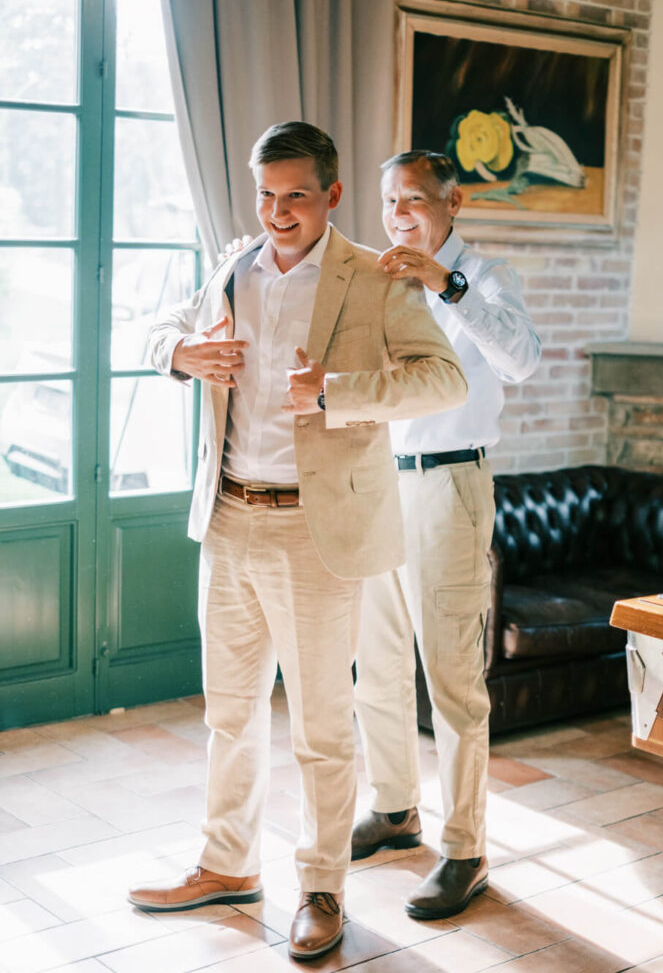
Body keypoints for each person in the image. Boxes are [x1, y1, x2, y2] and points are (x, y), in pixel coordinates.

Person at [126, 125, 468, 960]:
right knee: (230, 715)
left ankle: (322, 888)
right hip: (231, 519)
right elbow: (154, 326)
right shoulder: (234, 266)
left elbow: (443, 377)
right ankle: (227, 863)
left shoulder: (373, 278)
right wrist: (182, 352)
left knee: (321, 727)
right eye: (266, 195)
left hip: (318, 532)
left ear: (333, 196)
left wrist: (340, 392)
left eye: (296, 196)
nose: (277, 214)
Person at [352, 150, 541, 919]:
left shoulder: (486, 280)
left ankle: (466, 850)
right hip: (379, 484)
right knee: (380, 665)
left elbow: (523, 362)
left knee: (453, 681)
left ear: (451, 202)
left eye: (414, 201)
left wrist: (446, 284)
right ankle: (395, 808)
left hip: (452, 484)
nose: (400, 214)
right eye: (388, 201)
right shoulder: (377, 281)